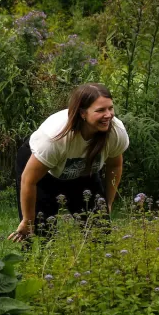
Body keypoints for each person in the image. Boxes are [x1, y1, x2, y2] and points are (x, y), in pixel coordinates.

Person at [10, 84, 128, 241]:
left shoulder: (115, 132)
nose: (108, 115)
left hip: (84, 174)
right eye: (100, 110)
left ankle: (95, 265)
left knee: (100, 232)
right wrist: (27, 220)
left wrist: (108, 203)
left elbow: (115, 166)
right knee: (38, 236)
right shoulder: (55, 138)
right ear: (82, 113)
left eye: (110, 108)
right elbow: (29, 180)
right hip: (44, 174)